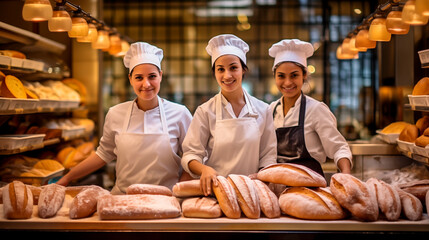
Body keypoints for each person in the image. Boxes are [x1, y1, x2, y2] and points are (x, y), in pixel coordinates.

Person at [57, 42, 193, 194]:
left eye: (152, 76)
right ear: (130, 79)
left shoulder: (180, 113)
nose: (146, 84)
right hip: (122, 198)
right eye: (139, 77)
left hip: (165, 200)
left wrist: (177, 192)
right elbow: (103, 154)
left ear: (160, 76)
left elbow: (192, 158)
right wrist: (67, 178)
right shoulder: (116, 113)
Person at [181, 34, 277, 196]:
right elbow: (190, 154)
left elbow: (268, 155)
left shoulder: (263, 110)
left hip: (253, 192)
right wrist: (204, 169)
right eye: (220, 69)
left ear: (243, 69)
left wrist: (262, 179)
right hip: (215, 193)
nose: (227, 75)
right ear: (214, 73)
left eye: (233, 67)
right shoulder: (205, 111)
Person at [268, 39, 352, 176]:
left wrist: (346, 173)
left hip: (312, 187)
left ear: (304, 75)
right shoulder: (271, 110)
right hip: (279, 186)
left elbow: (338, 148)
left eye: (294, 75)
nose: (287, 82)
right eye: (281, 76)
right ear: (275, 77)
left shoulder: (316, 109)